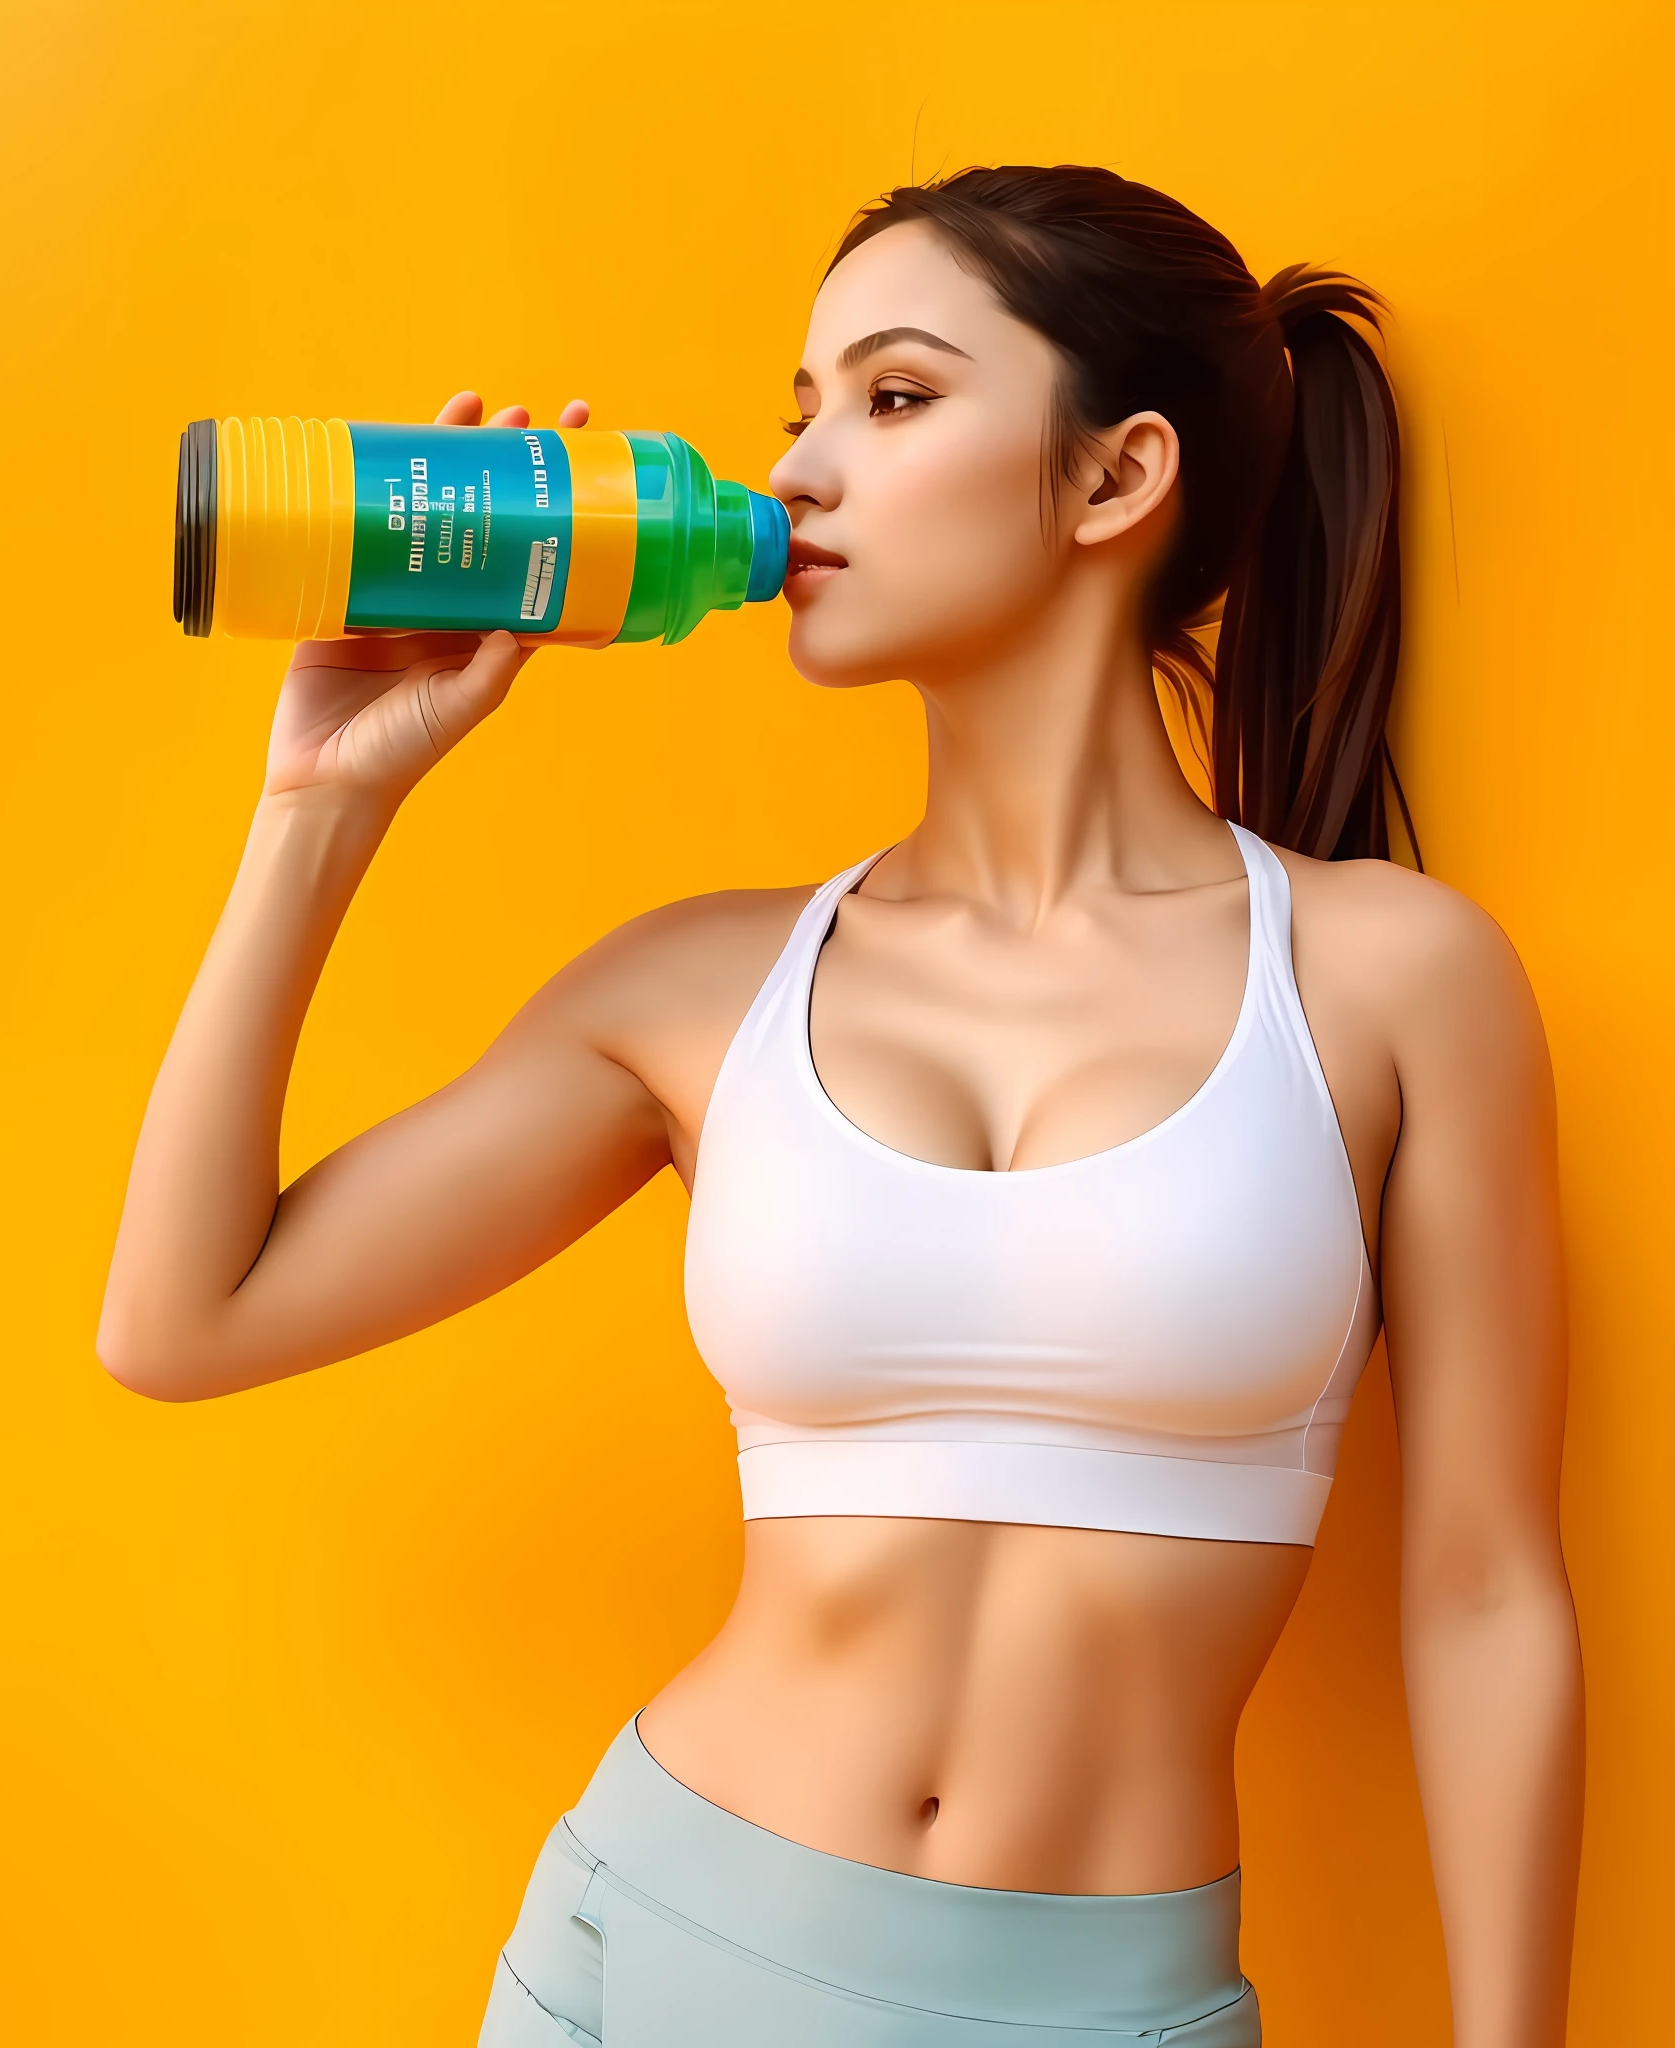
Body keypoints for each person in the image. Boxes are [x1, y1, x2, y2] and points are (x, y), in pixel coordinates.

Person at [99, 166, 1583, 2046]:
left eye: (891, 399)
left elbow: (1484, 1598)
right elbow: (179, 1321)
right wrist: (328, 804)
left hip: (1101, 2005)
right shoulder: (699, 988)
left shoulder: (1392, 980)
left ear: (1117, 478)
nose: (800, 474)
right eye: (796, 412)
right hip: (646, 1954)